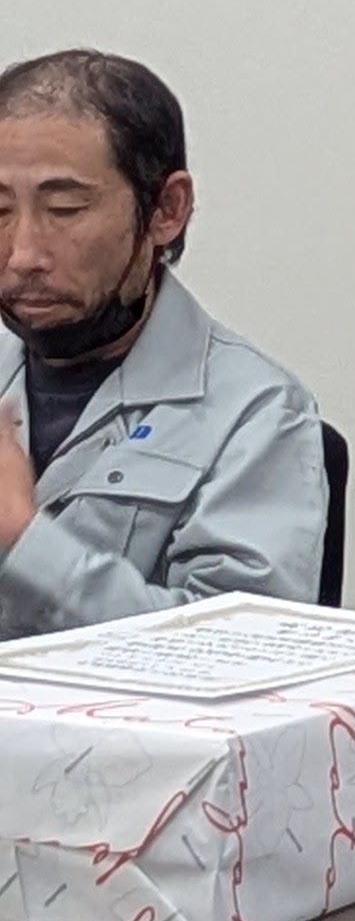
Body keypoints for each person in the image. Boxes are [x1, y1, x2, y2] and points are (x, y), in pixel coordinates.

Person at [0, 48, 327, 636]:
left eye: (65, 209)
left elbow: (241, 648)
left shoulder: (254, 412)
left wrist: (26, 541)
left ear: (166, 210)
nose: (23, 255)